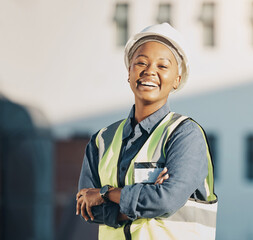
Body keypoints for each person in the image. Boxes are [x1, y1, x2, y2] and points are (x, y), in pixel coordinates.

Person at [76, 23, 218, 240]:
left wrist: (106, 194)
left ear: (177, 80)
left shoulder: (185, 135)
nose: (150, 71)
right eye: (141, 62)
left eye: (162, 66)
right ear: (129, 73)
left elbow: (167, 200)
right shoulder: (102, 139)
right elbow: (87, 206)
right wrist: (146, 197)